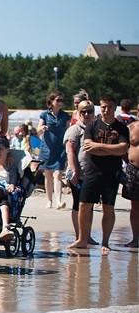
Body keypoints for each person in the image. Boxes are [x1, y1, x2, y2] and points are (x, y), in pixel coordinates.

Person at [68, 95, 129, 254]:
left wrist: (99, 147)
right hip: (92, 171)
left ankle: (105, 242)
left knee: (108, 208)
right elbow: (88, 147)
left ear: (115, 108)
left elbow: (123, 149)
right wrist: (111, 149)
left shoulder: (122, 128)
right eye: (103, 107)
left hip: (111, 174)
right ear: (99, 107)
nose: (106, 110)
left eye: (109, 107)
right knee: (83, 205)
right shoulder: (92, 125)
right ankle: (82, 239)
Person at [64, 100, 96, 244]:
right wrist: (75, 171)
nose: (87, 114)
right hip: (77, 173)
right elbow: (70, 151)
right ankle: (79, 236)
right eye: (84, 111)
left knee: (89, 205)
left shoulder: (95, 128)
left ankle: (87, 236)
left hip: (92, 173)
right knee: (78, 203)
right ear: (78, 112)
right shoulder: (75, 129)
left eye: (90, 111)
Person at [37, 91, 70, 209]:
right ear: (51, 101)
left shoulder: (65, 116)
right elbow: (38, 130)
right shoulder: (45, 115)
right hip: (47, 148)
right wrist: (42, 128)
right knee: (48, 175)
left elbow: (68, 131)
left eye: (62, 100)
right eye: (58, 100)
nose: (60, 103)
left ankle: (58, 201)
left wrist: (68, 147)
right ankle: (49, 200)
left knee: (58, 174)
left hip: (60, 149)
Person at [123, 117, 139, 247]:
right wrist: (128, 162)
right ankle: (135, 238)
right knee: (134, 206)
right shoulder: (130, 128)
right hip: (134, 169)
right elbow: (123, 147)